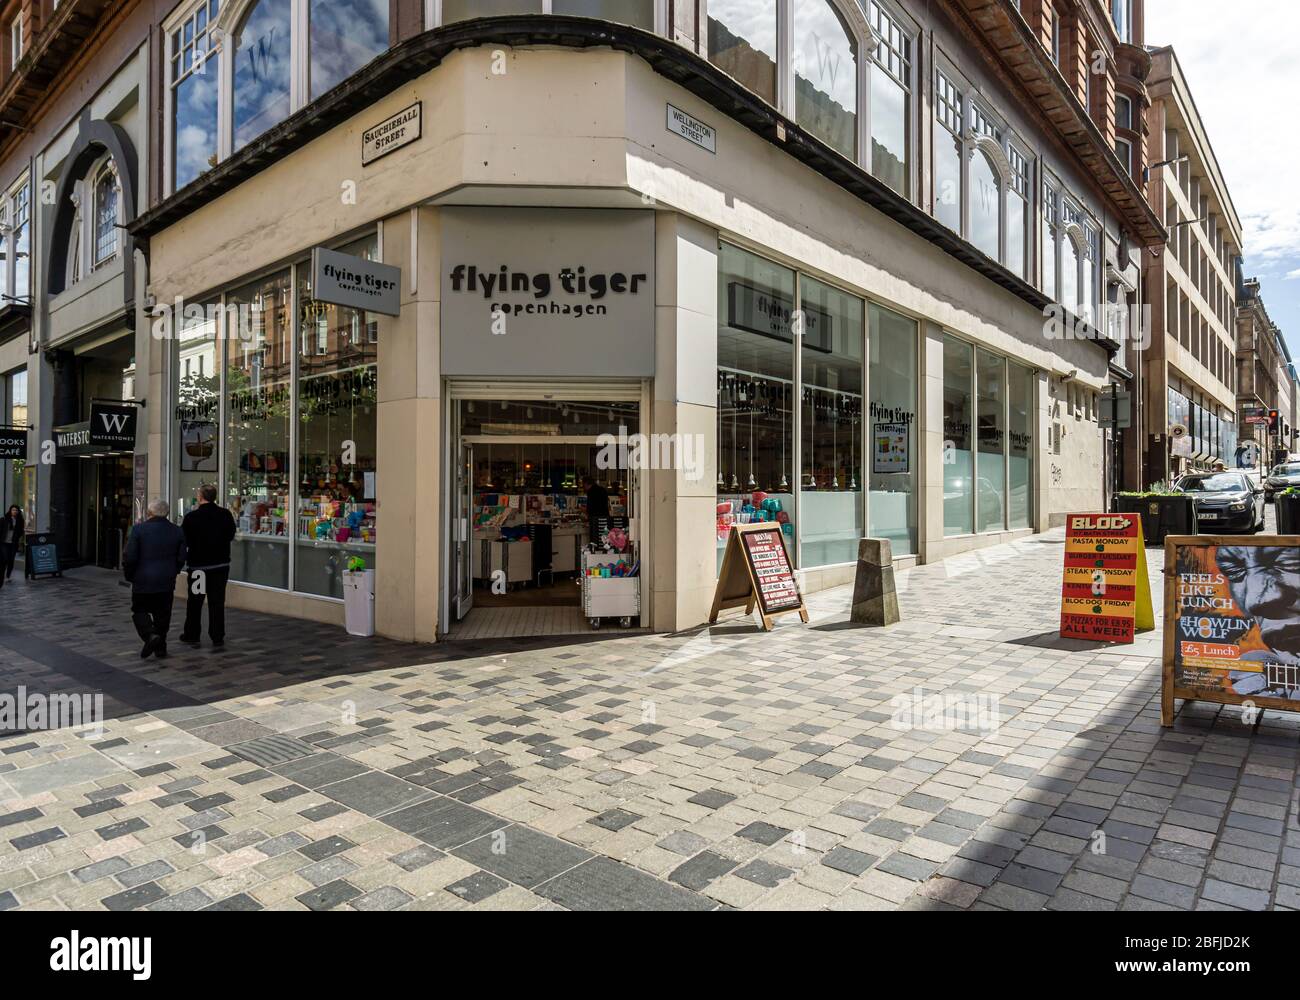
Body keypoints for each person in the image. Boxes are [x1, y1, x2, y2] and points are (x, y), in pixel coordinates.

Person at [123, 498, 187, 660]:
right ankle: (160, 647)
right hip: (166, 579)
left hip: (143, 578)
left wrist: (130, 575)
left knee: (139, 610)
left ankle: (150, 636)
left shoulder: (138, 530)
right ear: (166, 513)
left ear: (149, 513)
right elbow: (182, 557)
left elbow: (130, 556)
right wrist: (174, 571)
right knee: (162, 614)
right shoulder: (177, 530)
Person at [179, 483, 236, 647]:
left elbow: (185, 540)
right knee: (217, 602)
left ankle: (192, 633)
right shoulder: (225, 514)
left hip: (199, 568)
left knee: (195, 601)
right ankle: (217, 635)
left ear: (200, 497)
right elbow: (231, 534)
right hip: (220, 566)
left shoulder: (191, 517)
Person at [0, 505, 22, 586]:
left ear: (18, 511)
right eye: (13, 510)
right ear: (10, 511)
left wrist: (18, 541)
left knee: (11, 560)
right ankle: (2, 576)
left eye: (16, 510)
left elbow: (20, 533)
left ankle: (8, 576)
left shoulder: (19, 521)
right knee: (4, 559)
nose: (15, 511)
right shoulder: (4, 520)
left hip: (13, 544)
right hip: (3, 543)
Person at [584, 475, 609, 546]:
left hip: (595, 520)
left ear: (586, 484)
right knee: (604, 540)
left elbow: (589, 509)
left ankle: (595, 555)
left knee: (595, 542)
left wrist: (584, 511)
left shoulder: (590, 492)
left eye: (584, 485)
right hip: (605, 519)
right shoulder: (603, 490)